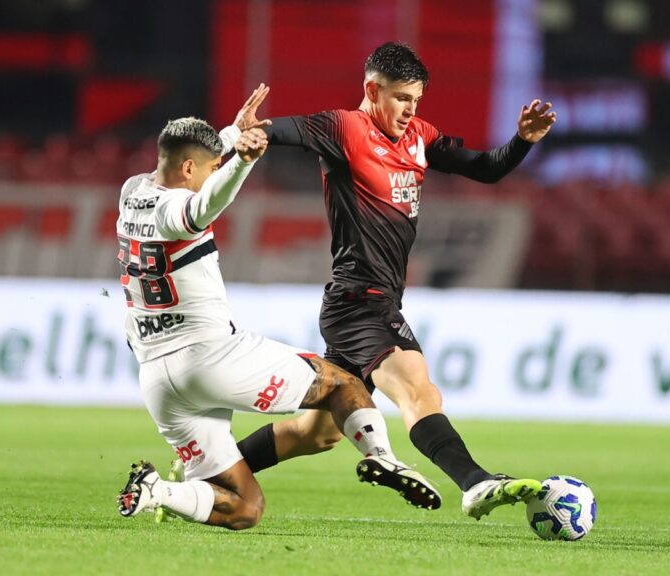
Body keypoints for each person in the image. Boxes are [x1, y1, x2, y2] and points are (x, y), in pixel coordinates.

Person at [227, 42, 558, 520]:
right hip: (360, 301)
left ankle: (209, 472)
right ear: (372, 90)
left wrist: (522, 141)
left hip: (367, 303)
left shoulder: (420, 136)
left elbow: (483, 170)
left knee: (315, 434)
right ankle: (476, 481)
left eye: (416, 100)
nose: (410, 110)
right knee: (419, 390)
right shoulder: (344, 128)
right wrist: (253, 133)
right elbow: (286, 130)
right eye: (402, 98)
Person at [115, 92, 441, 531]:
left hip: (158, 378)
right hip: (209, 357)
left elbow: (194, 170)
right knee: (341, 385)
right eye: (207, 169)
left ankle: (159, 491)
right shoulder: (176, 210)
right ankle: (384, 458)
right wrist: (240, 163)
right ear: (189, 169)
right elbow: (201, 207)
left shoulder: (132, 191)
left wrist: (232, 134)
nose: (212, 173)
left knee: (243, 507)